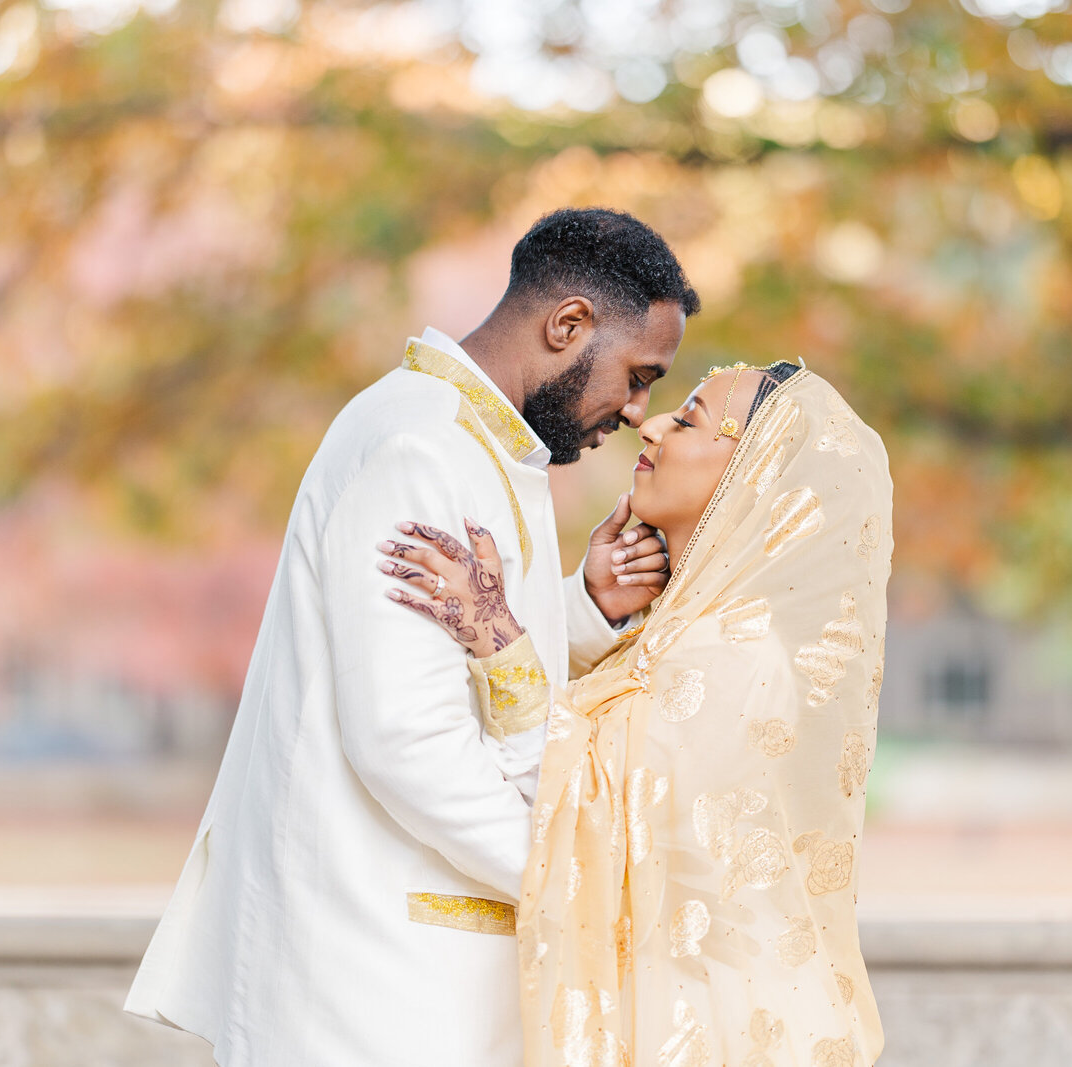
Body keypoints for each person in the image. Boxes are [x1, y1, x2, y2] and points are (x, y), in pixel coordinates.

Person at [124, 207, 699, 1066]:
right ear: (568, 324)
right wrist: (572, 880)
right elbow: (407, 739)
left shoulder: (486, 444)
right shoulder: (419, 445)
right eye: (638, 374)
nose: (637, 410)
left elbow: (482, 668)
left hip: (420, 969)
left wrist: (585, 607)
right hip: (375, 976)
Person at [381, 361, 893, 1067]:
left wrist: (500, 638)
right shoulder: (677, 636)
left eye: (686, 420)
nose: (648, 425)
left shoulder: (734, 657)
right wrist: (590, 605)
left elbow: (588, 823)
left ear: (751, 475)